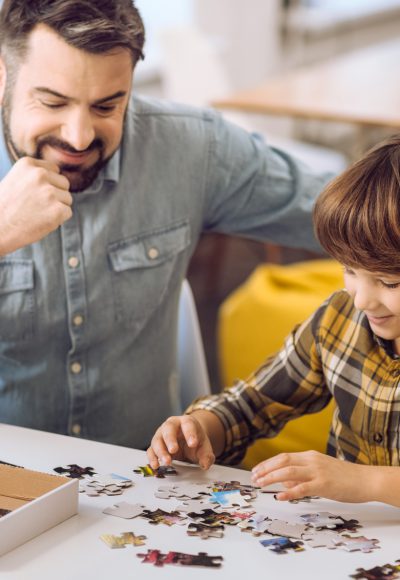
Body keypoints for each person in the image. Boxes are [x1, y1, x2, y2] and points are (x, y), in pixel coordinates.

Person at [0, 0, 332, 449]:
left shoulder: (192, 147)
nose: (78, 137)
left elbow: (344, 210)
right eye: (53, 102)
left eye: (106, 106)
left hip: (143, 480)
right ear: (3, 75)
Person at [148, 136, 400, 508]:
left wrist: (367, 483)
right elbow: (250, 405)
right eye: (349, 270)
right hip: (350, 549)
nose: (361, 299)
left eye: (389, 282)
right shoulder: (339, 320)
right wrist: (200, 428)